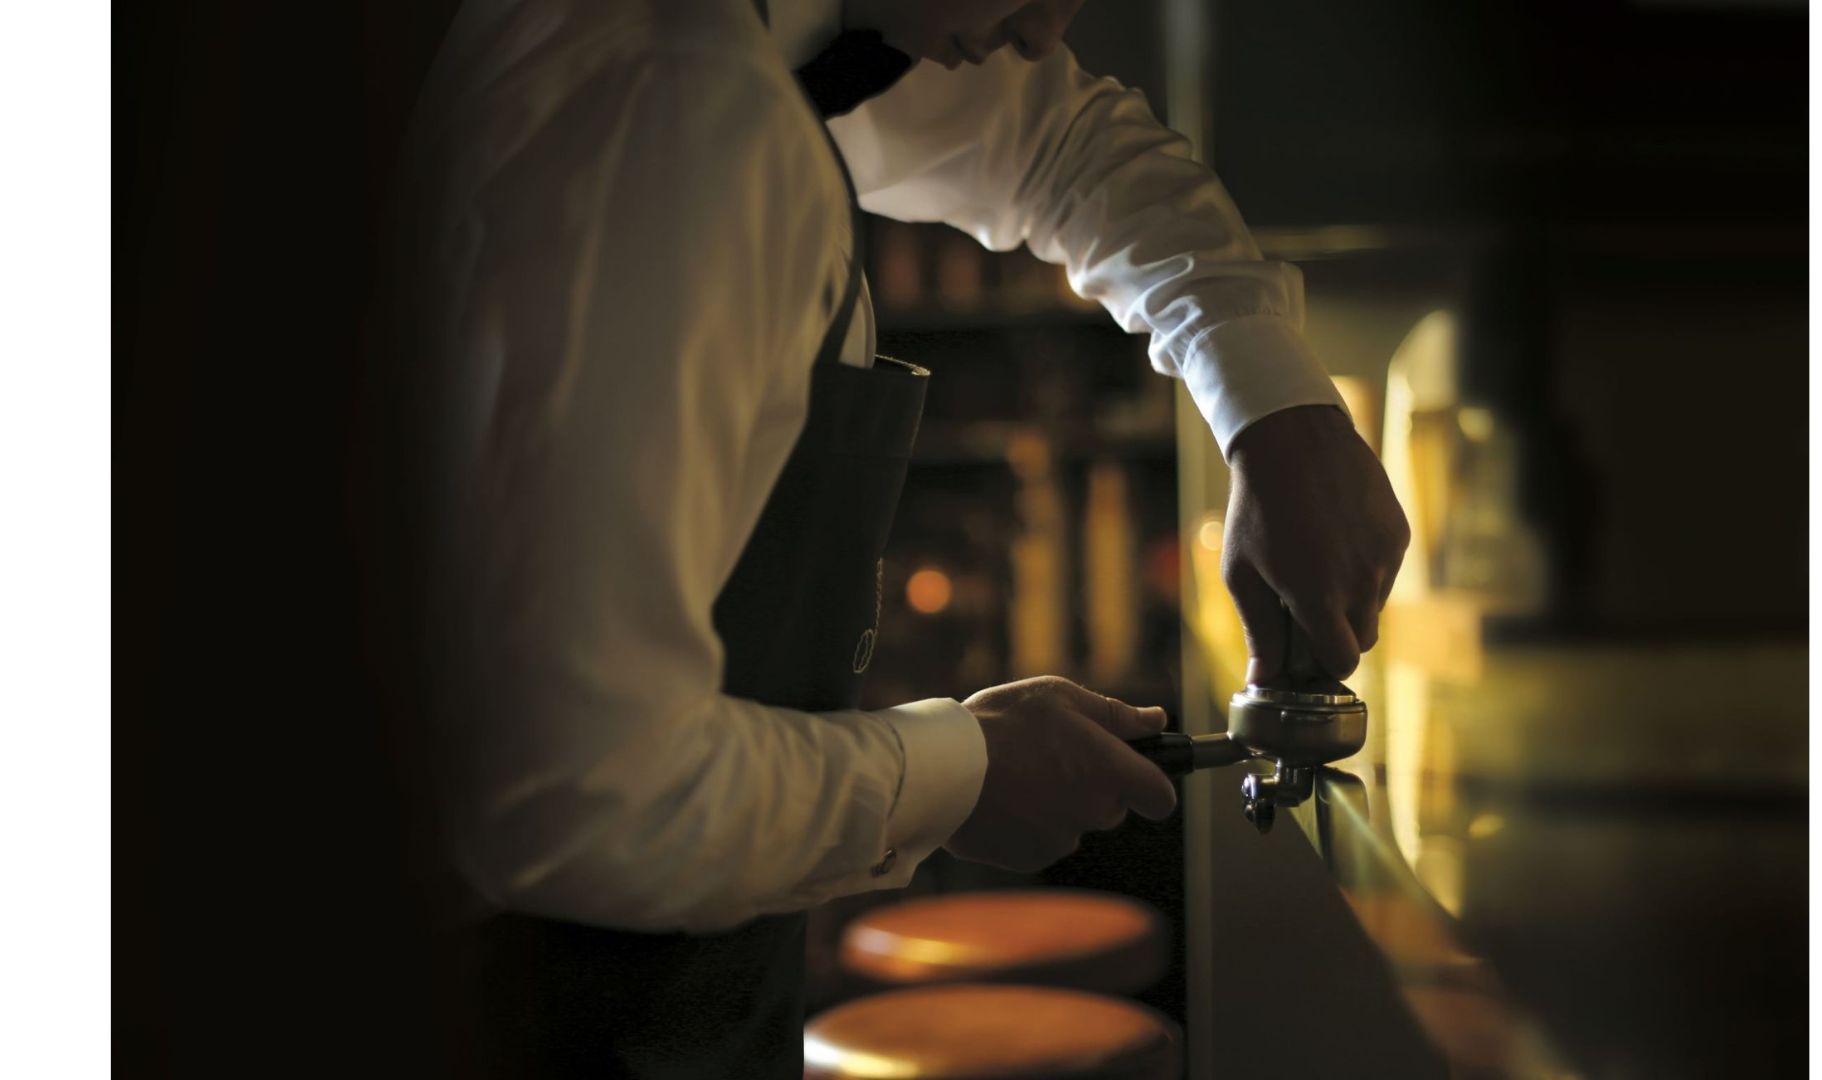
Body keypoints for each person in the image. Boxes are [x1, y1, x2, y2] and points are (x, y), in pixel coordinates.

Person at [388, 0, 1410, 1075]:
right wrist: (958, 773)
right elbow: (578, 791)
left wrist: (1275, 406)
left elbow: (1062, 144)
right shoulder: (673, 106)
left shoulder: (766, 50)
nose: (1046, 30)